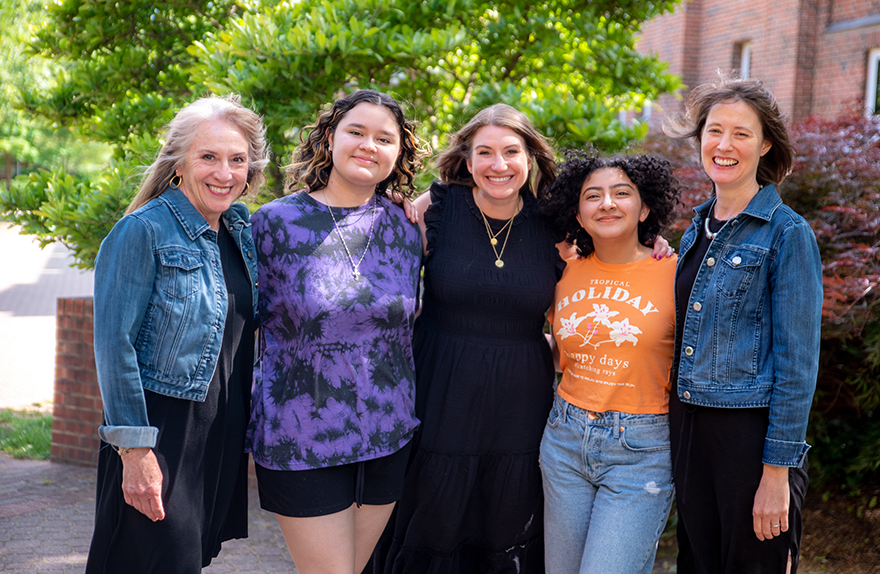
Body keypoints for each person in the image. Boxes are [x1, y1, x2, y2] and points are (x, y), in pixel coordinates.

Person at [87, 94, 269, 573]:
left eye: (237, 160)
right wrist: (136, 450)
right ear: (178, 163)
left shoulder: (237, 229)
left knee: (185, 561)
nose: (224, 173)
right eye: (208, 157)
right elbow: (113, 346)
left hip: (219, 428)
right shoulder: (142, 231)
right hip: (161, 429)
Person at [246, 89, 424, 574]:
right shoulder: (272, 226)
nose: (369, 145)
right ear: (330, 137)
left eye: (385, 138)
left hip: (389, 437)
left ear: (399, 153)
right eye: (357, 132)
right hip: (301, 439)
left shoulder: (410, 228)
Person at [379, 103, 561, 573]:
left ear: (530, 157)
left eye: (511, 152)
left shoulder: (556, 223)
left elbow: (611, 262)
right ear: (467, 157)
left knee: (505, 516)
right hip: (441, 388)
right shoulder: (434, 210)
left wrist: (656, 243)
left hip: (520, 399)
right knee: (433, 513)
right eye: (485, 152)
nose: (498, 165)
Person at [664, 73, 823, 573]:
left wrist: (777, 473)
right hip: (688, 432)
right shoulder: (695, 228)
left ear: (765, 143)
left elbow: (798, 366)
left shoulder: (787, 233)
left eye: (741, 133)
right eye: (714, 130)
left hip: (748, 441)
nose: (724, 145)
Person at [538, 153, 679, 574]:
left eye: (622, 193)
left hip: (641, 449)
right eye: (592, 196)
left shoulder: (676, 272)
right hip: (564, 439)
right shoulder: (563, 271)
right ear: (578, 214)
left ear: (645, 207)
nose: (607, 204)